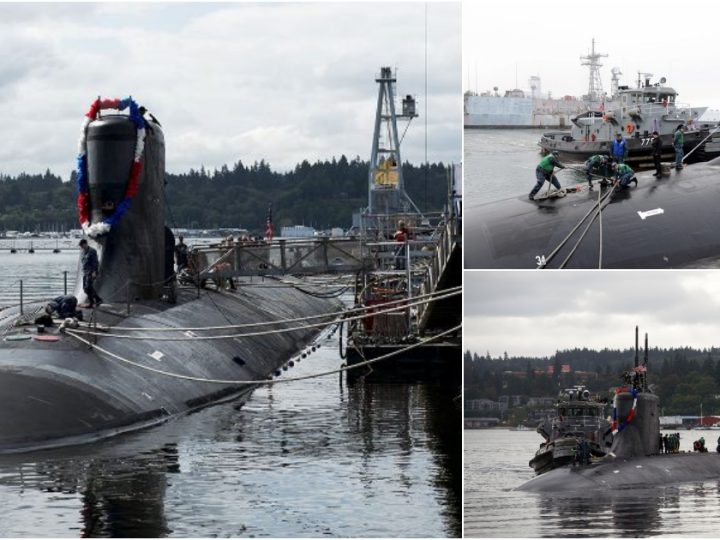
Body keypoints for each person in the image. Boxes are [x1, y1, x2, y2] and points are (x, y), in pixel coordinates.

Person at [79, 239, 102, 308]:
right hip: (85, 272)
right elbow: (83, 262)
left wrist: (94, 271)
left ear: (85, 244)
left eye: (82, 245)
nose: (82, 247)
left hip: (91, 272)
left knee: (88, 287)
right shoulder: (83, 252)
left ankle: (94, 301)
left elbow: (95, 262)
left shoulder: (92, 251)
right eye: (81, 246)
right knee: (85, 288)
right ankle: (96, 300)